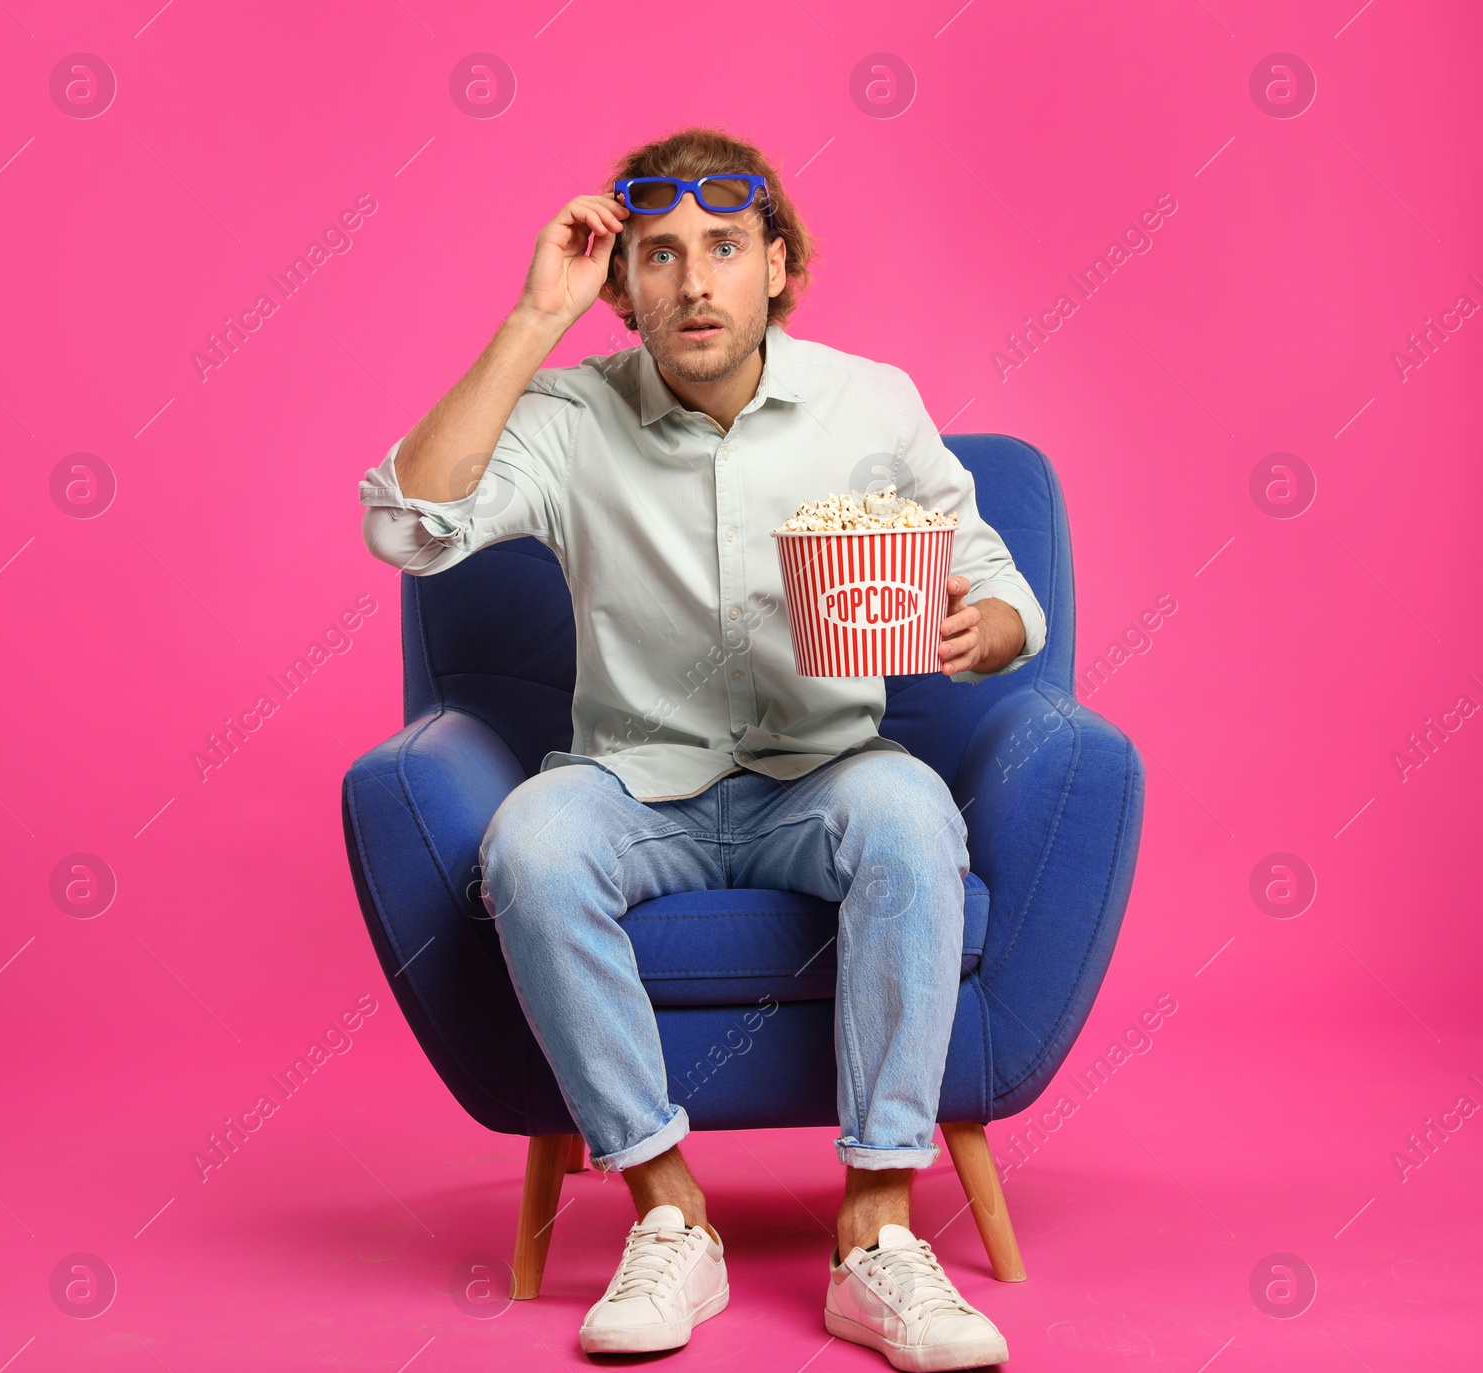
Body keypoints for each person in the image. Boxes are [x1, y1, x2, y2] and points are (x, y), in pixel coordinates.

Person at [359, 127, 1045, 1372]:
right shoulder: (569, 413)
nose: (692, 282)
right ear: (623, 289)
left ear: (775, 265)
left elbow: (989, 573)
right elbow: (408, 526)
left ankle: (877, 1230)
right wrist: (531, 317)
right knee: (530, 839)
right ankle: (671, 1213)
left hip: (821, 771)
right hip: (634, 779)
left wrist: (983, 625)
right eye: (659, 256)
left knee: (909, 814)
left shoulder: (867, 403)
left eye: (724, 248)